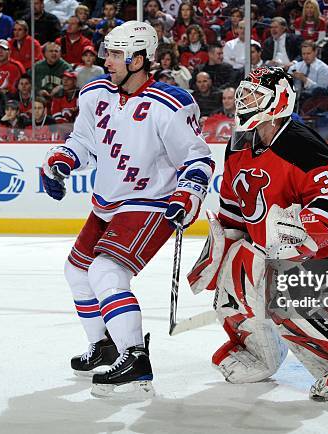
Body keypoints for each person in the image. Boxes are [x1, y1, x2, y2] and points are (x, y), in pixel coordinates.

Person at [39, 21, 213, 397]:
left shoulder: (171, 104)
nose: (108, 61)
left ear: (139, 59)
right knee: (77, 271)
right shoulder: (95, 94)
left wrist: (190, 193)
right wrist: (64, 158)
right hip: (108, 201)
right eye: (108, 52)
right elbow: (84, 140)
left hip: (153, 203)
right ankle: (104, 344)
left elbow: (198, 158)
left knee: (106, 272)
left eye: (116, 55)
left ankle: (135, 360)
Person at [187, 66, 328, 401]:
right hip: (276, 236)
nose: (244, 102)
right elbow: (235, 209)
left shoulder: (301, 145)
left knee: (291, 298)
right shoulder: (237, 144)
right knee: (234, 285)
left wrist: (303, 241)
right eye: (244, 94)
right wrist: (220, 251)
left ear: (278, 102)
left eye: (254, 96)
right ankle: (261, 354)